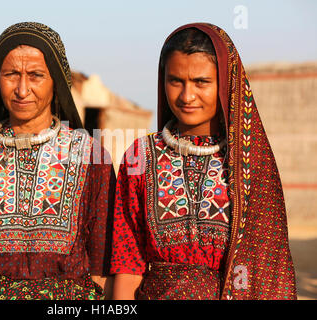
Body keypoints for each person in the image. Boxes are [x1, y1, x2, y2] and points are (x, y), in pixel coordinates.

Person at [111, 23, 296, 300]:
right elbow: (128, 257)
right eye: (176, 81)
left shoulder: (249, 162)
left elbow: (268, 265)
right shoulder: (141, 155)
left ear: (225, 84)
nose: (187, 96)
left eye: (201, 82)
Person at [0, 22, 115, 300]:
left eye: (36, 75)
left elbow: (104, 267)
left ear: (56, 80)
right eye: (11, 74)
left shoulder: (92, 157)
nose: (21, 89)